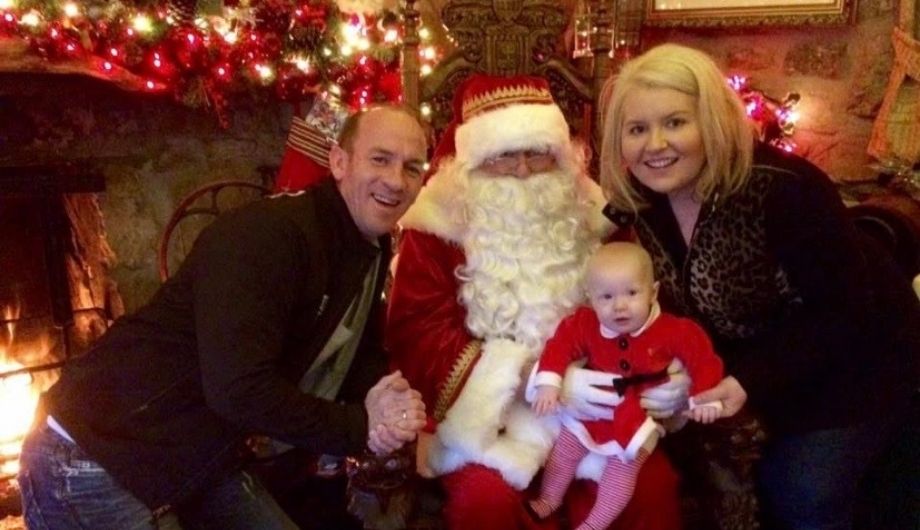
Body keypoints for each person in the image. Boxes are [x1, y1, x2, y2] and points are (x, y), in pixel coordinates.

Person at [17, 104, 429, 530]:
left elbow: (355, 348)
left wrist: (388, 399)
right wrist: (362, 426)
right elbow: (240, 391)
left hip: (198, 451)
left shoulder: (370, 244)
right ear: (339, 162)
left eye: (412, 168)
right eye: (380, 159)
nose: (396, 181)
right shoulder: (270, 236)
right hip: (95, 455)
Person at [599, 43, 920, 530]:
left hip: (858, 369)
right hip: (748, 374)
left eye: (676, 122)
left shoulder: (784, 188)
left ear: (711, 120)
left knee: (799, 493)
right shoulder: (640, 202)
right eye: (637, 129)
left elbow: (849, 314)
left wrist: (747, 381)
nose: (655, 145)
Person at [386, 73, 688, 530]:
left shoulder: (595, 214)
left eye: (537, 153)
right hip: (490, 418)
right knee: (485, 504)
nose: (524, 170)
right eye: (504, 155)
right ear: (473, 160)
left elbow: (637, 300)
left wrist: (662, 370)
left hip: (594, 406)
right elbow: (417, 330)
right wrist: (532, 377)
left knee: (649, 491)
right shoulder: (436, 226)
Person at [527, 242, 724, 530]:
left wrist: (705, 398)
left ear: (653, 292)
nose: (619, 305)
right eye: (606, 297)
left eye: (632, 293)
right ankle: (549, 500)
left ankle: (593, 524)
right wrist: (548, 382)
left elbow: (703, 360)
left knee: (621, 473)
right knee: (563, 452)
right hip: (591, 411)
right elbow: (559, 347)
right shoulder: (584, 324)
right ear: (591, 300)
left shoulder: (674, 330)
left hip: (636, 420)